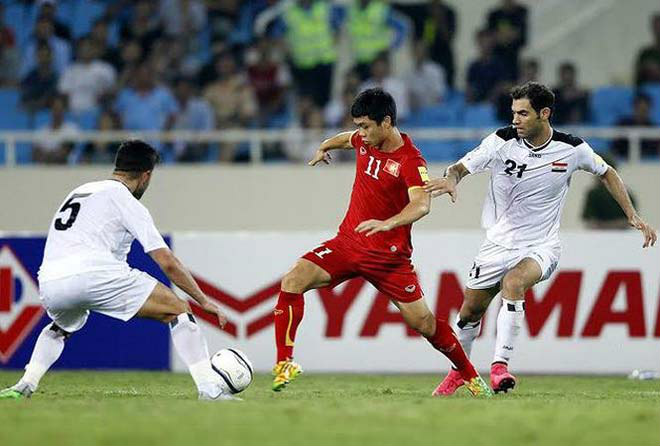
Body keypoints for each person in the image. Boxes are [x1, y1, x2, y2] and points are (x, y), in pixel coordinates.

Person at [424, 82, 657, 395]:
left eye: (523, 113)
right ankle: (459, 373)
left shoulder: (572, 148)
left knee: (515, 282)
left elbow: (607, 172)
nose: (516, 120)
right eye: (513, 113)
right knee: (469, 313)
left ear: (544, 113)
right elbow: (460, 168)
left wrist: (632, 215)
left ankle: (499, 368)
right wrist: (451, 180)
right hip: (497, 243)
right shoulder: (500, 141)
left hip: (542, 245)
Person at [271, 88, 492, 397]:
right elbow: (347, 138)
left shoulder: (410, 160)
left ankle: (469, 375)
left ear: (386, 122)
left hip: (389, 258)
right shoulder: (365, 139)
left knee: (424, 324)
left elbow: (422, 205)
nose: (361, 133)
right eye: (359, 125)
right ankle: (285, 363)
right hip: (348, 243)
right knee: (293, 279)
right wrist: (324, 145)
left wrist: (387, 223)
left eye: (365, 126)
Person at [0, 141, 237, 401]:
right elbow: (166, 261)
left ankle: (25, 385)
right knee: (178, 310)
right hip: (95, 273)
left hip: (50, 282)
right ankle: (209, 389)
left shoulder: (81, 190)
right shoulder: (125, 199)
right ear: (146, 175)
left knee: (61, 326)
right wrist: (203, 300)